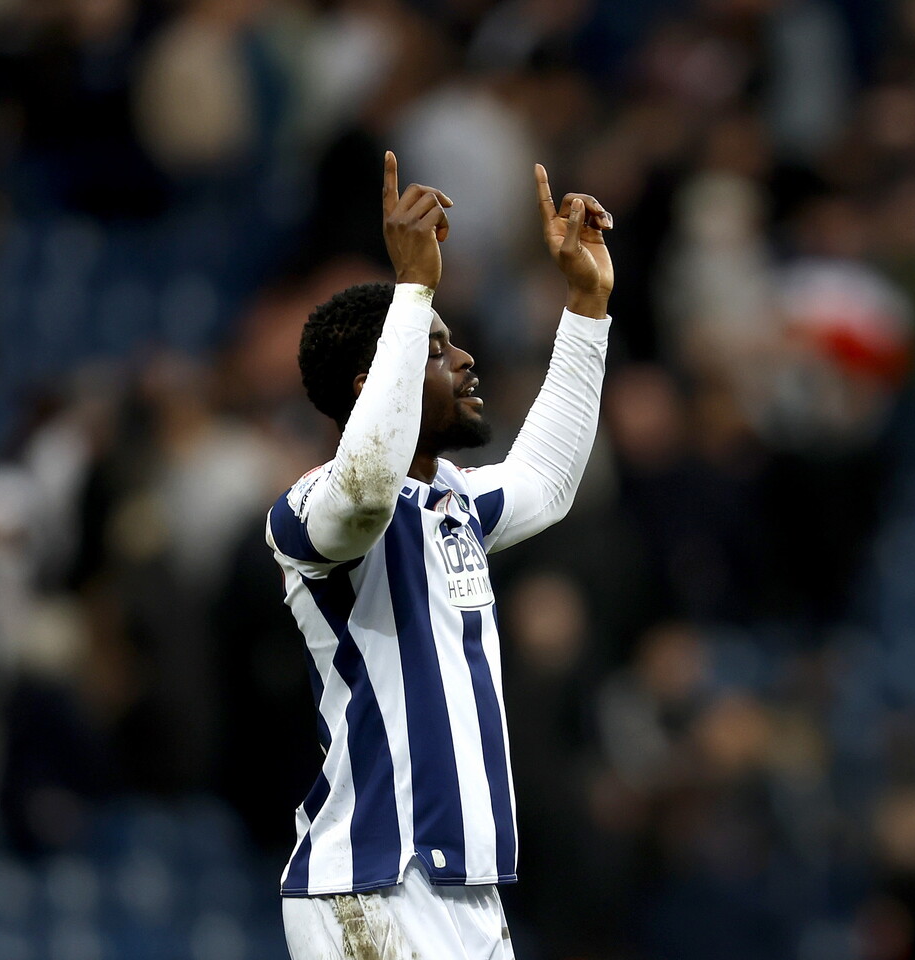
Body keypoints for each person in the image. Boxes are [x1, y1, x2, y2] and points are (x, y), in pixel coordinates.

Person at [266, 150, 613, 960]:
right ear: (371, 381)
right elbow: (364, 493)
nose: (462, 359)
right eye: (433, 347)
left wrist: (586, 307)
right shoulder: (312, 512)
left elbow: (548, 480)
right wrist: (412, 292)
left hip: (466, 895)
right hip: (372, 886)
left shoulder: (453, 505)